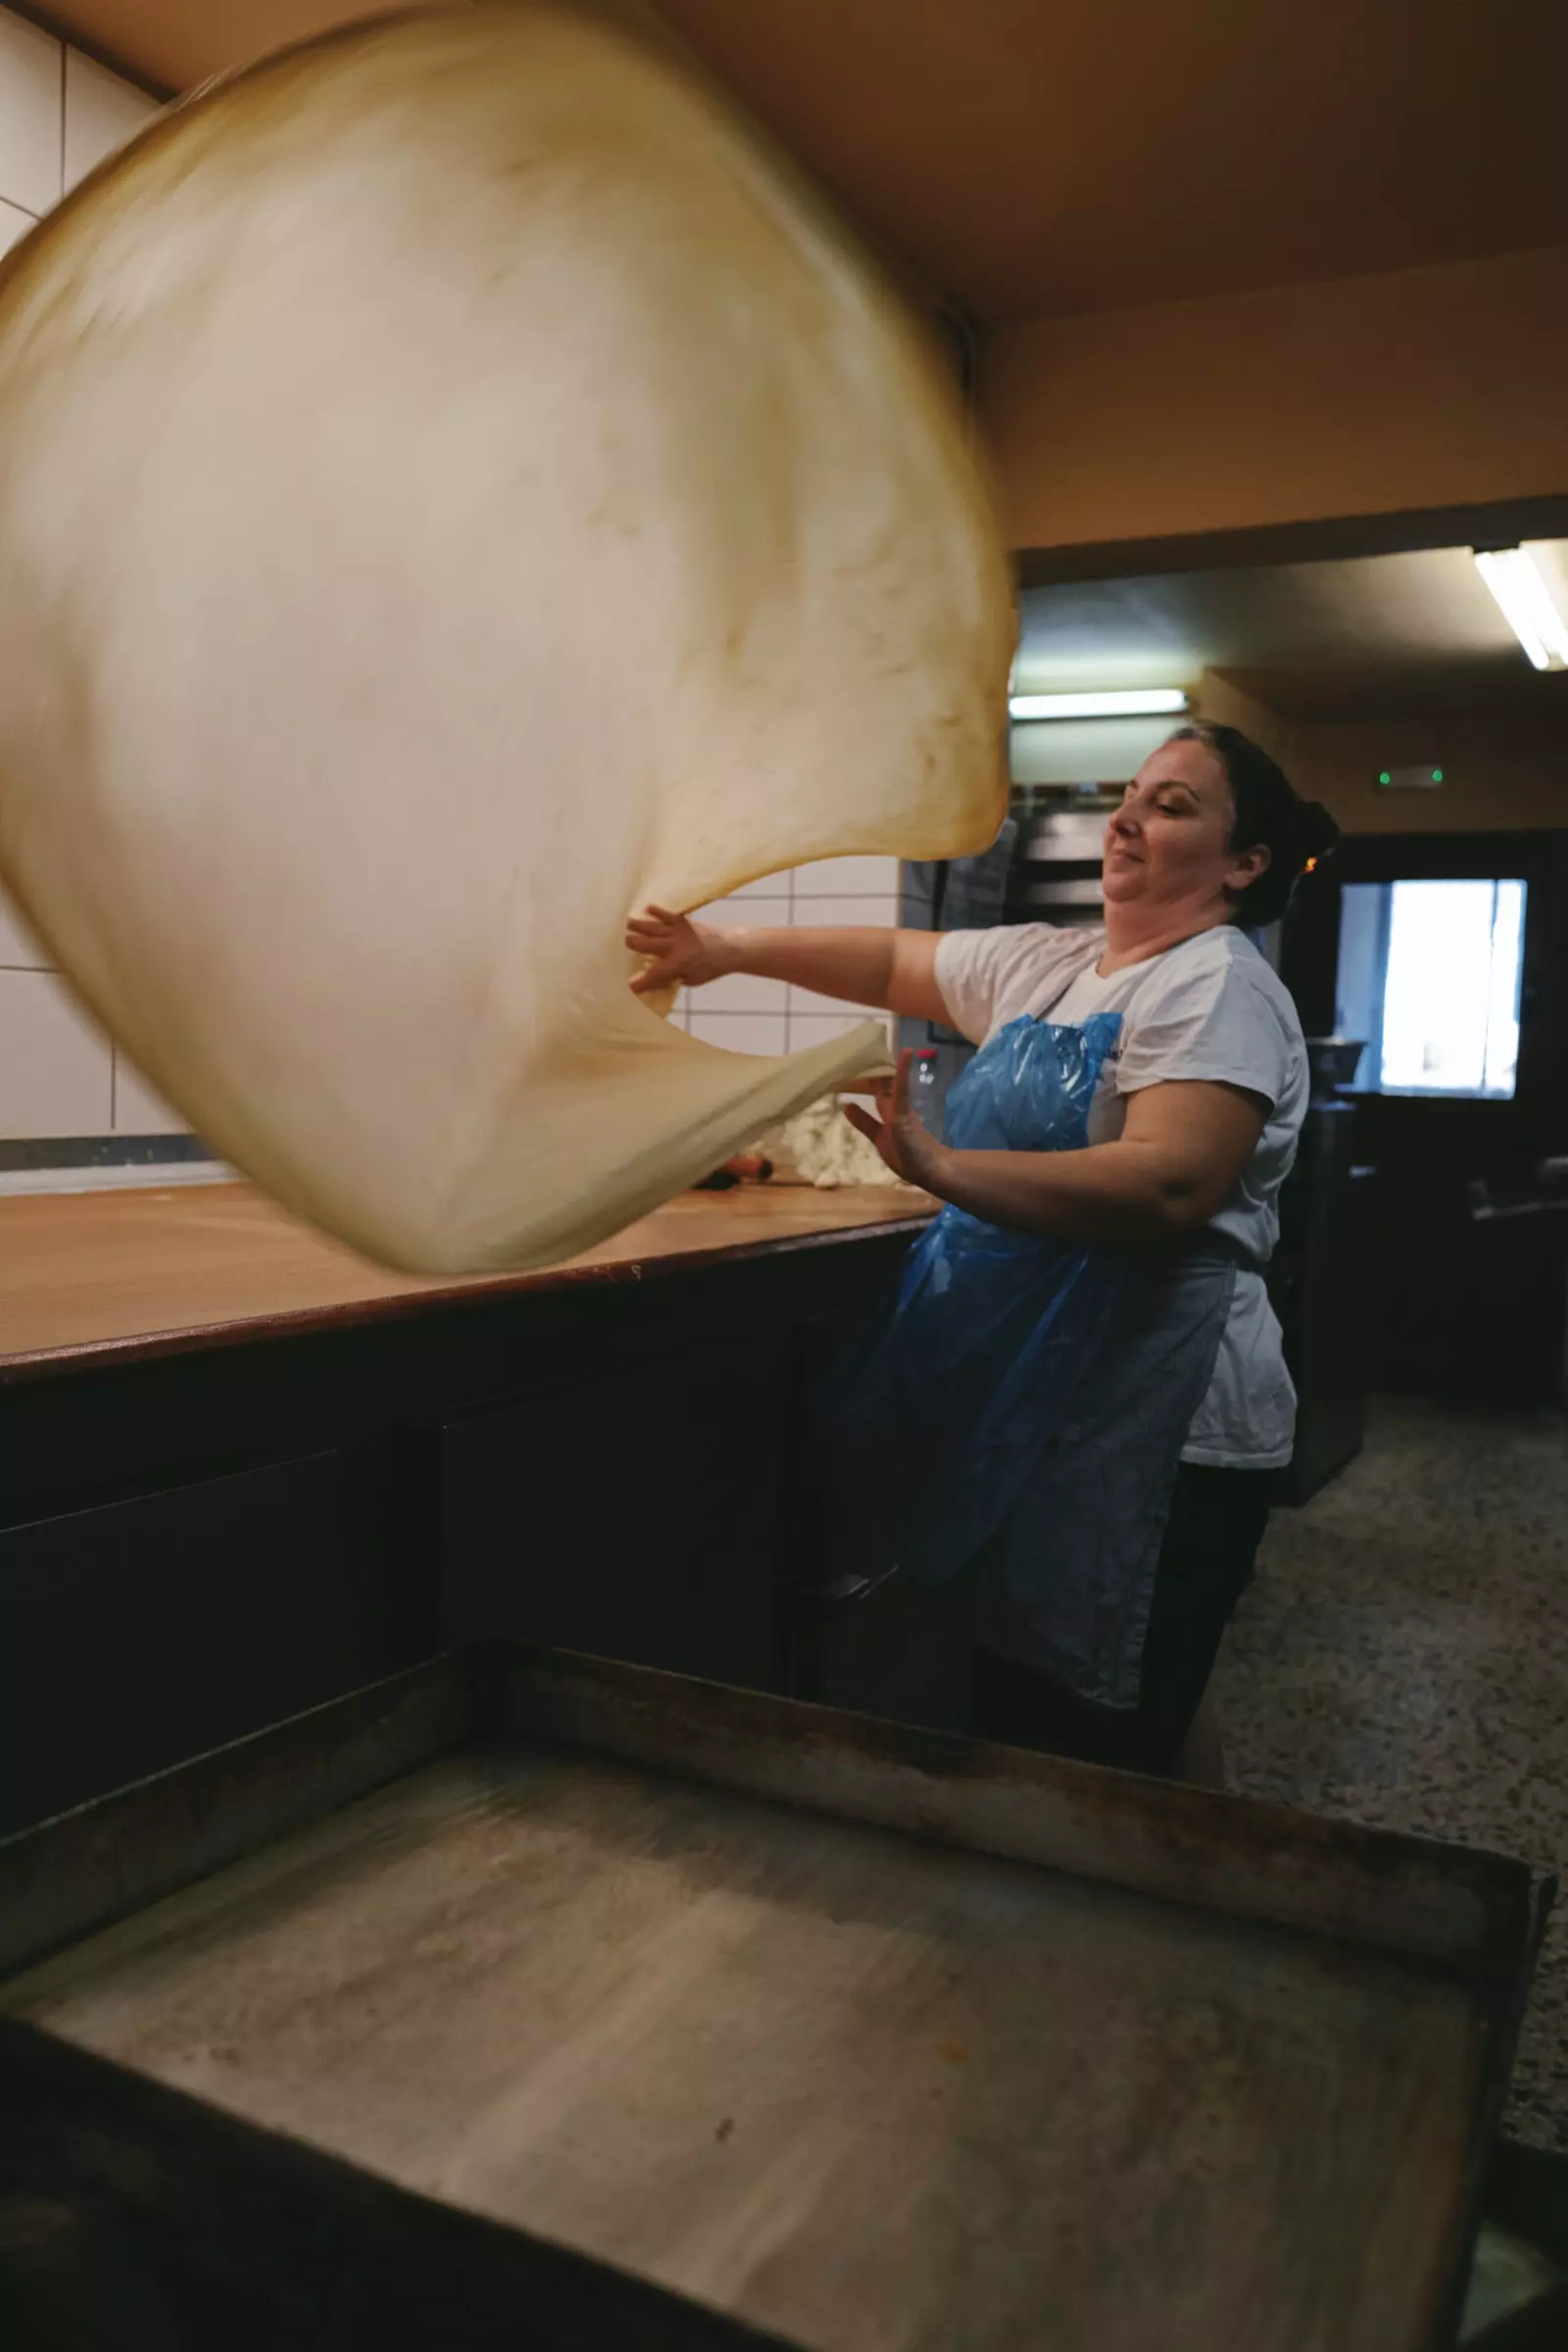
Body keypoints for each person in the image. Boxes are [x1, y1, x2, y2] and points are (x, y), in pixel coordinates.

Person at [625, 722, 1340, 1782]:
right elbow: (892, 959)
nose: (1130, 817)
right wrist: (720, 950)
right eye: (1133, 794)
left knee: (1106, 1717)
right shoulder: (1051, 966)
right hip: (1045, 1394)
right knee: (1090, 1703)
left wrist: (943, 1168)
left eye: (1174, 804)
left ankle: (1123, 1927)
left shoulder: (1213, 985)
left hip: (1157, 1417)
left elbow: (1169, 1181)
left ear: (1244, 865)